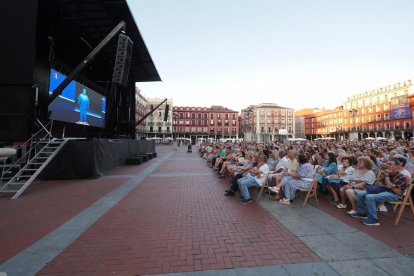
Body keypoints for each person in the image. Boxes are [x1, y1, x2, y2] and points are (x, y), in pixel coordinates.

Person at [351, 158, 408, 226]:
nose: (387, 165)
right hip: (381, 191)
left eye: (390, 164)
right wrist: (389, 185)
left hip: (393, 195)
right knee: (360, 193)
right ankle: (362, 212)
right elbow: (377, 183)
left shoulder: (401, 176)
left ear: (396, 166)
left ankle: (373, 219)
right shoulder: (384, 173)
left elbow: (396, 191)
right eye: (387, 163)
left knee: (370, 197)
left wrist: (387, 177)